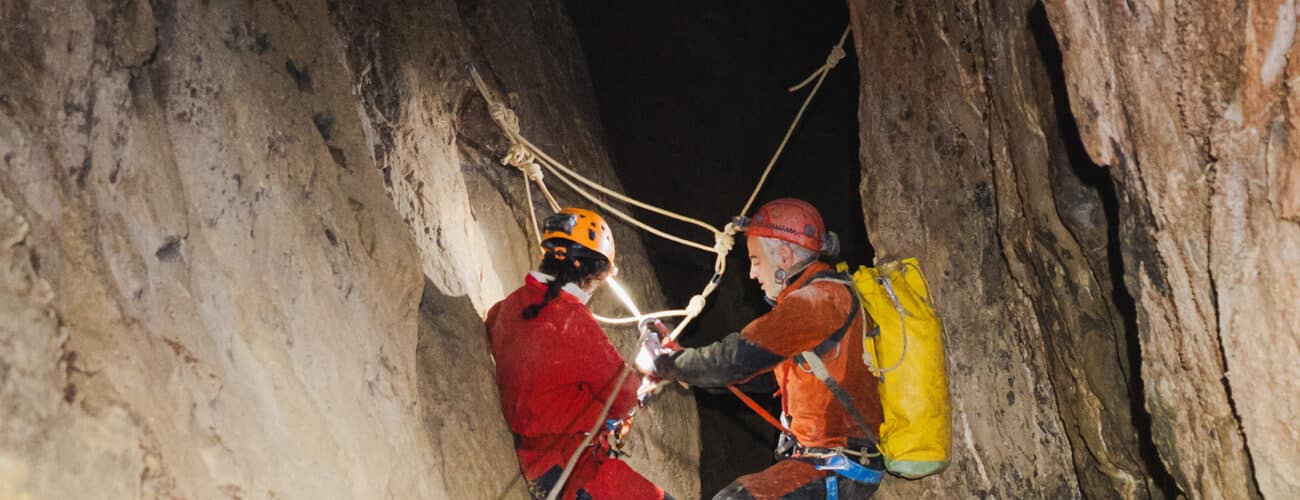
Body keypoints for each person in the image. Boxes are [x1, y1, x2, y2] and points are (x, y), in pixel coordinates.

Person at [636, 198, 885, 499]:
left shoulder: (816, 302)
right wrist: (684, 368)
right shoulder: (820, 297)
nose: (752, 274)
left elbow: (736, 359)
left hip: (839, 467)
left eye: (755, 261)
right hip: (825, 462)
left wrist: (666, 362)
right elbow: (759, 377)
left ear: (784, 256)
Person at [485, 207, 670, 500]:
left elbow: (495, 327)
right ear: (592, 273)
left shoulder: (509, 305)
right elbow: (624, 396)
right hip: (567, 466)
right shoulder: (576, 324)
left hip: (535, 454)